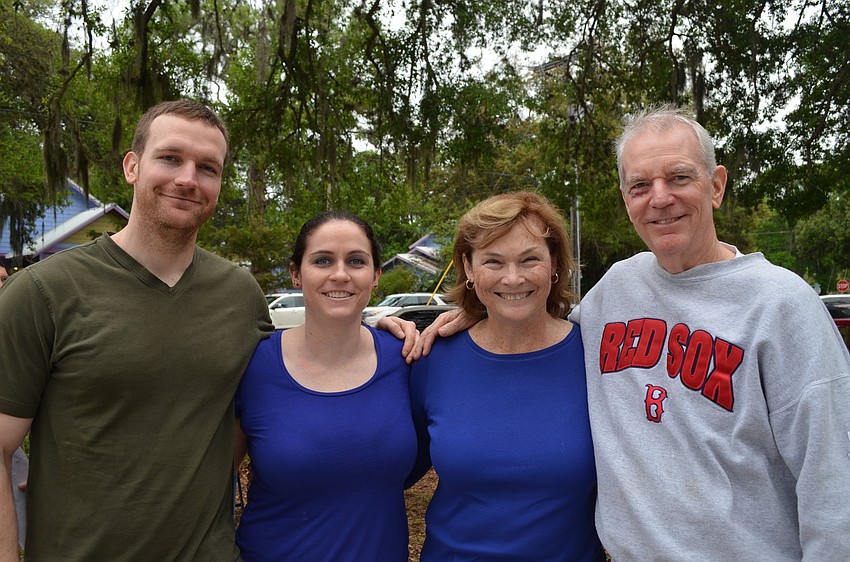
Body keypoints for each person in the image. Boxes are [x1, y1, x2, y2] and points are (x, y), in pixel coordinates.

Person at [419, 106, 850, 559]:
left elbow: (834, 481)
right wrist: (478, 314)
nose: (659, 198)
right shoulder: (616, 291)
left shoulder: (781, 304)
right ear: (626, 198)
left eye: (679, 178)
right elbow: (537, 326)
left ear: (717, 186)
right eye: (640, 185)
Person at [0, 99, 415, 561]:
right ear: (132, 166)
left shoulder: (239, 296)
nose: (187, 179)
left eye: (207, 168)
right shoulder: (41, 293)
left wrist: (379, 324)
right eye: (170, 158)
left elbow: (298, 374)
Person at [408, 191, 604, 561]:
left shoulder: (597, 356)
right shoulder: (432, 359)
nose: (513, 279)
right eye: (493, 262)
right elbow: (386, 469)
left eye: (529, 259)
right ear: (468, 268)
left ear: (555, 264)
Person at [234, 211, 417, 562]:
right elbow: (210, 477)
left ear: (376, 276)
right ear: (296, 274)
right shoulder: (253, 366)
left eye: (356, 261)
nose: (340, 274)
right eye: (322, 260)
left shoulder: (408, 359)